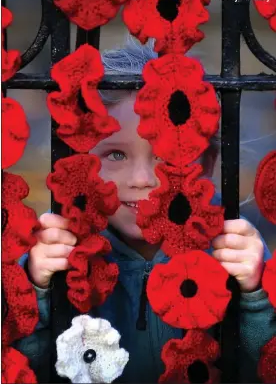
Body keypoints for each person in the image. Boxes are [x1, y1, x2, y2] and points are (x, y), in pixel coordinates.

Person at [14, 38, 275, 383]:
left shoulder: (233, 251)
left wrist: (254, 297)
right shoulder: (59, 252)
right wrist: (39, 288)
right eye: (116, 155)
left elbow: (261, 367)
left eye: (165, 155)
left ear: (207, 164)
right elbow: (27, 366)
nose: (142, 179)